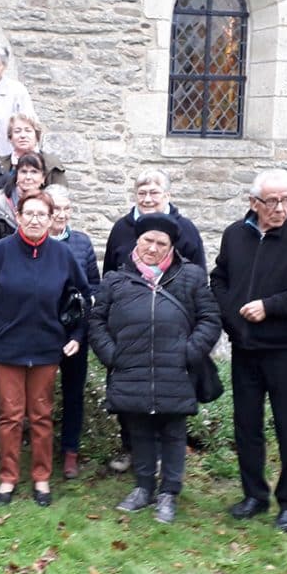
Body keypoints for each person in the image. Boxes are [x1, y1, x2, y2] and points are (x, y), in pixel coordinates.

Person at [210, 169, 287, 533]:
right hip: (245, 348)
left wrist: (270, 306)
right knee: (247, 426)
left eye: (286, 200)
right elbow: (219, 279)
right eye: (272, 201)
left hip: (285, 350)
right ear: (253, 203)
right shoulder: (235, 235)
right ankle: (254, 495)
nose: (280, 208)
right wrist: (233, 316)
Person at [89, 213, 221, 522]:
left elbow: (210, 318)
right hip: (130, 369)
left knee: (173, 432)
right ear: (137, 242)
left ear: (171, 247)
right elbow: (96, 321)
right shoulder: (116, 279)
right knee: (139, 430)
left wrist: (189, 352)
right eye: (148, 240)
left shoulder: (191, 276)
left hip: (175, 370)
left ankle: (168, 493)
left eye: (161, 243)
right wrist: (112, 355)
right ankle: (144, 488)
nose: (153, 248)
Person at [0, 191, 90, 506]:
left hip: (47, 349)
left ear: (51, 220)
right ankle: (8, 477)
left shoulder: (63, 257)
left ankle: (41, 477)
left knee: (41, 415)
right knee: (10, 416)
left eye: (42, 215)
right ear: (18, 217)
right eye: (29, 214)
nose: (35, 220)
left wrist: (76, 333)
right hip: (6, 349)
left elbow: (81, 298)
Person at [101, 168, 207, 473]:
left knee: (167, 395)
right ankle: (131, 449)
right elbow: (110, 273)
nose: (148, 198)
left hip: (171, 331)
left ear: (168, 196)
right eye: (142, 193)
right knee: (128, 392)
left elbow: (198, 280)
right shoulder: (122, 229)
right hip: (128, 332)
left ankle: (163, 457)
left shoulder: (186, 230)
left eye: (154, 192)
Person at [44, 184, 101, 479]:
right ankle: (41, 449)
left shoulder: (81, 242)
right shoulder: (35, 243)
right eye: (56, 210)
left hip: (74, 333)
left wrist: (79, 335)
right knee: (39, 394)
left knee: (73, 393)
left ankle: (70, 451)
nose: (62, 215)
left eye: (67, 209)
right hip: (41, 331)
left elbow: (92, 289)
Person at [0, 113, 67, 189]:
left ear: (37, 136)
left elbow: (60, 196)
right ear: (11, 137)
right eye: (17, 131)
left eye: (28, 131)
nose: (23, 135)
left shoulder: (51, 163)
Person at [0, 153, 49, 240]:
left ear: (43, 177)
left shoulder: (50, 204)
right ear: (16, 175)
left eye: (34, 172)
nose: (28, 177)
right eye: (23, 172)